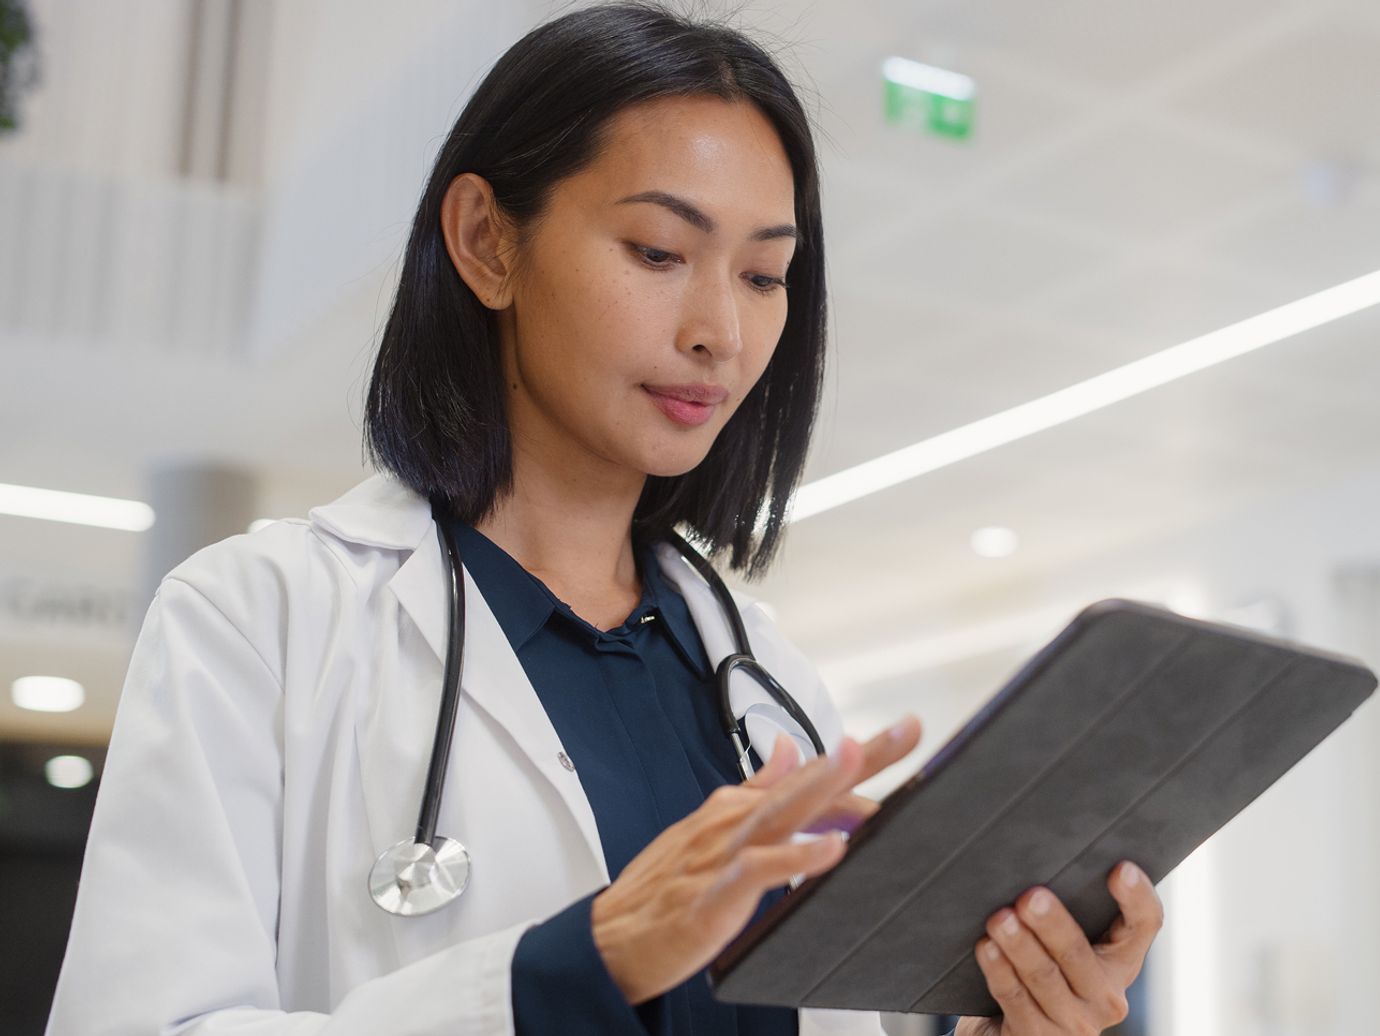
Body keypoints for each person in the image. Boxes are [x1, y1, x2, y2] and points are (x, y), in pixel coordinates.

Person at [45, 3, 1163, 1034]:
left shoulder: (770, 685)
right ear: (487, 240)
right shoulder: (259, 623)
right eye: (659, 253)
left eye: (764, 275)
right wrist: (577, 966)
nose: (720, 332)